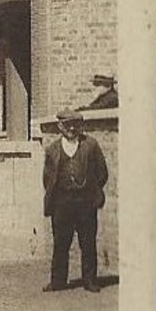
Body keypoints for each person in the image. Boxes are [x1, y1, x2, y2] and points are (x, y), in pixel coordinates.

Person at [43, 107, 109, 293]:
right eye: (67, 125)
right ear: (60, 126)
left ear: (80, 126)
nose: (72, 128)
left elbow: (102, 173)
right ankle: (58, 282)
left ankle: (90, 281)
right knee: (60, 243)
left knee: (88, 243)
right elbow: (47, 179)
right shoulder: (52, 150)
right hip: (62, 204)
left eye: (75, 124)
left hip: (86, 202)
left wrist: (91, 191)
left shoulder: (91, 145)